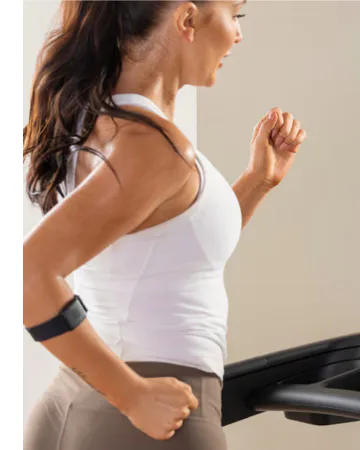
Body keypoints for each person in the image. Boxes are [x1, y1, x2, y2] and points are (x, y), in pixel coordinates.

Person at [22, 2, 306, 449]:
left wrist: (258, 181)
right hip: (143, 417)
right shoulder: (152, 147)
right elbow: (28, 274)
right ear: (187, 20)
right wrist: (131, 395)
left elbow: (175, 248)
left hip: (83, 406)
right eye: (236, 14)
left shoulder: (108, 125)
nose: (238, 35)